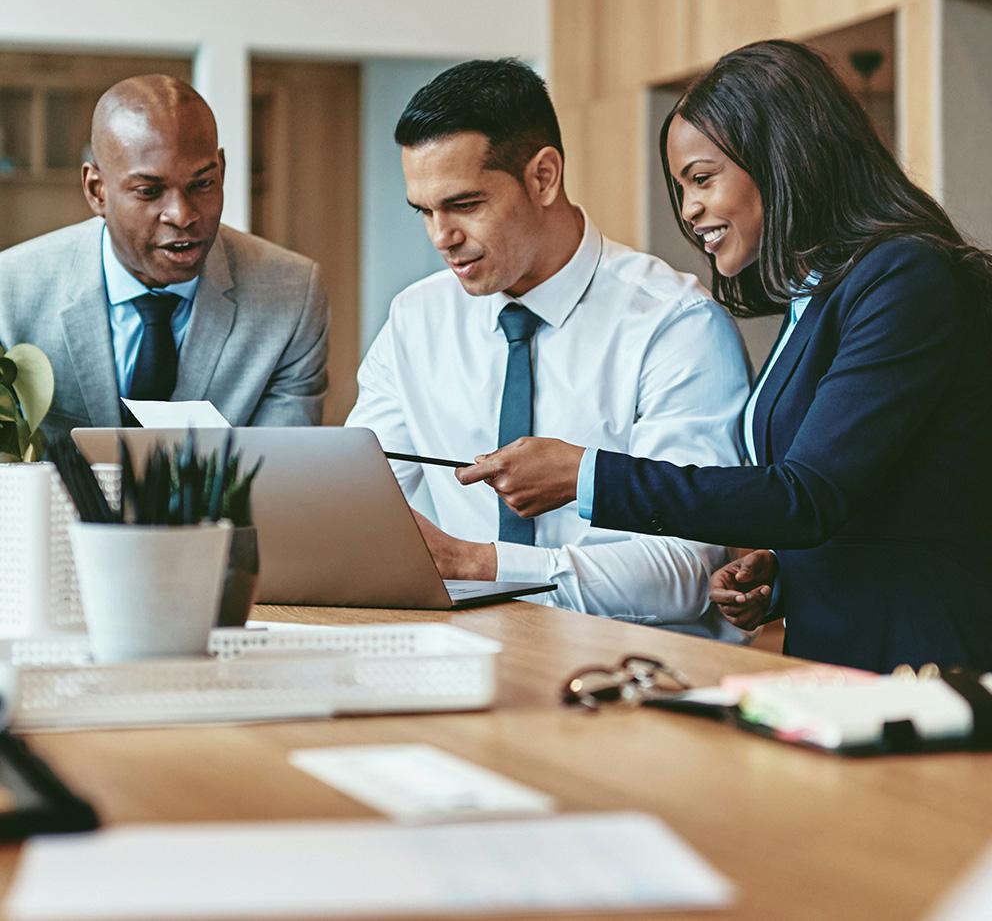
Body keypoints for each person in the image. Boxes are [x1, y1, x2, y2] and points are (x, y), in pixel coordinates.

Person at [459, 40, 992, 679]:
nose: (690, 209)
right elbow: (860, 504)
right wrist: (780, 576)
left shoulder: (903, 276)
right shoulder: (817, 294)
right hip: (847, 659)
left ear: (784, 160)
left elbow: (808, 495)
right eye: (682, 187)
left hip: (936, 658)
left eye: (702, 178)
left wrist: (586, 475)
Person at [346, 58, 752, 637]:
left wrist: (479, 565)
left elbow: (687, 572)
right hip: (464, 659)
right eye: (425, 212)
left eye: (464, 205)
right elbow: (358, 499)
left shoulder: (675, 325)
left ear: (543, 176)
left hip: (633, 678)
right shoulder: (416, 318)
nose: (443, 238)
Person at [0, 75, 328, 436]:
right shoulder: (12, 290)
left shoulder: (292, 294)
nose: (182, 215)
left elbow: (281, 472)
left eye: (202, 184)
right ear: (97, 191)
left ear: (221, 170)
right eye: (149, 191)